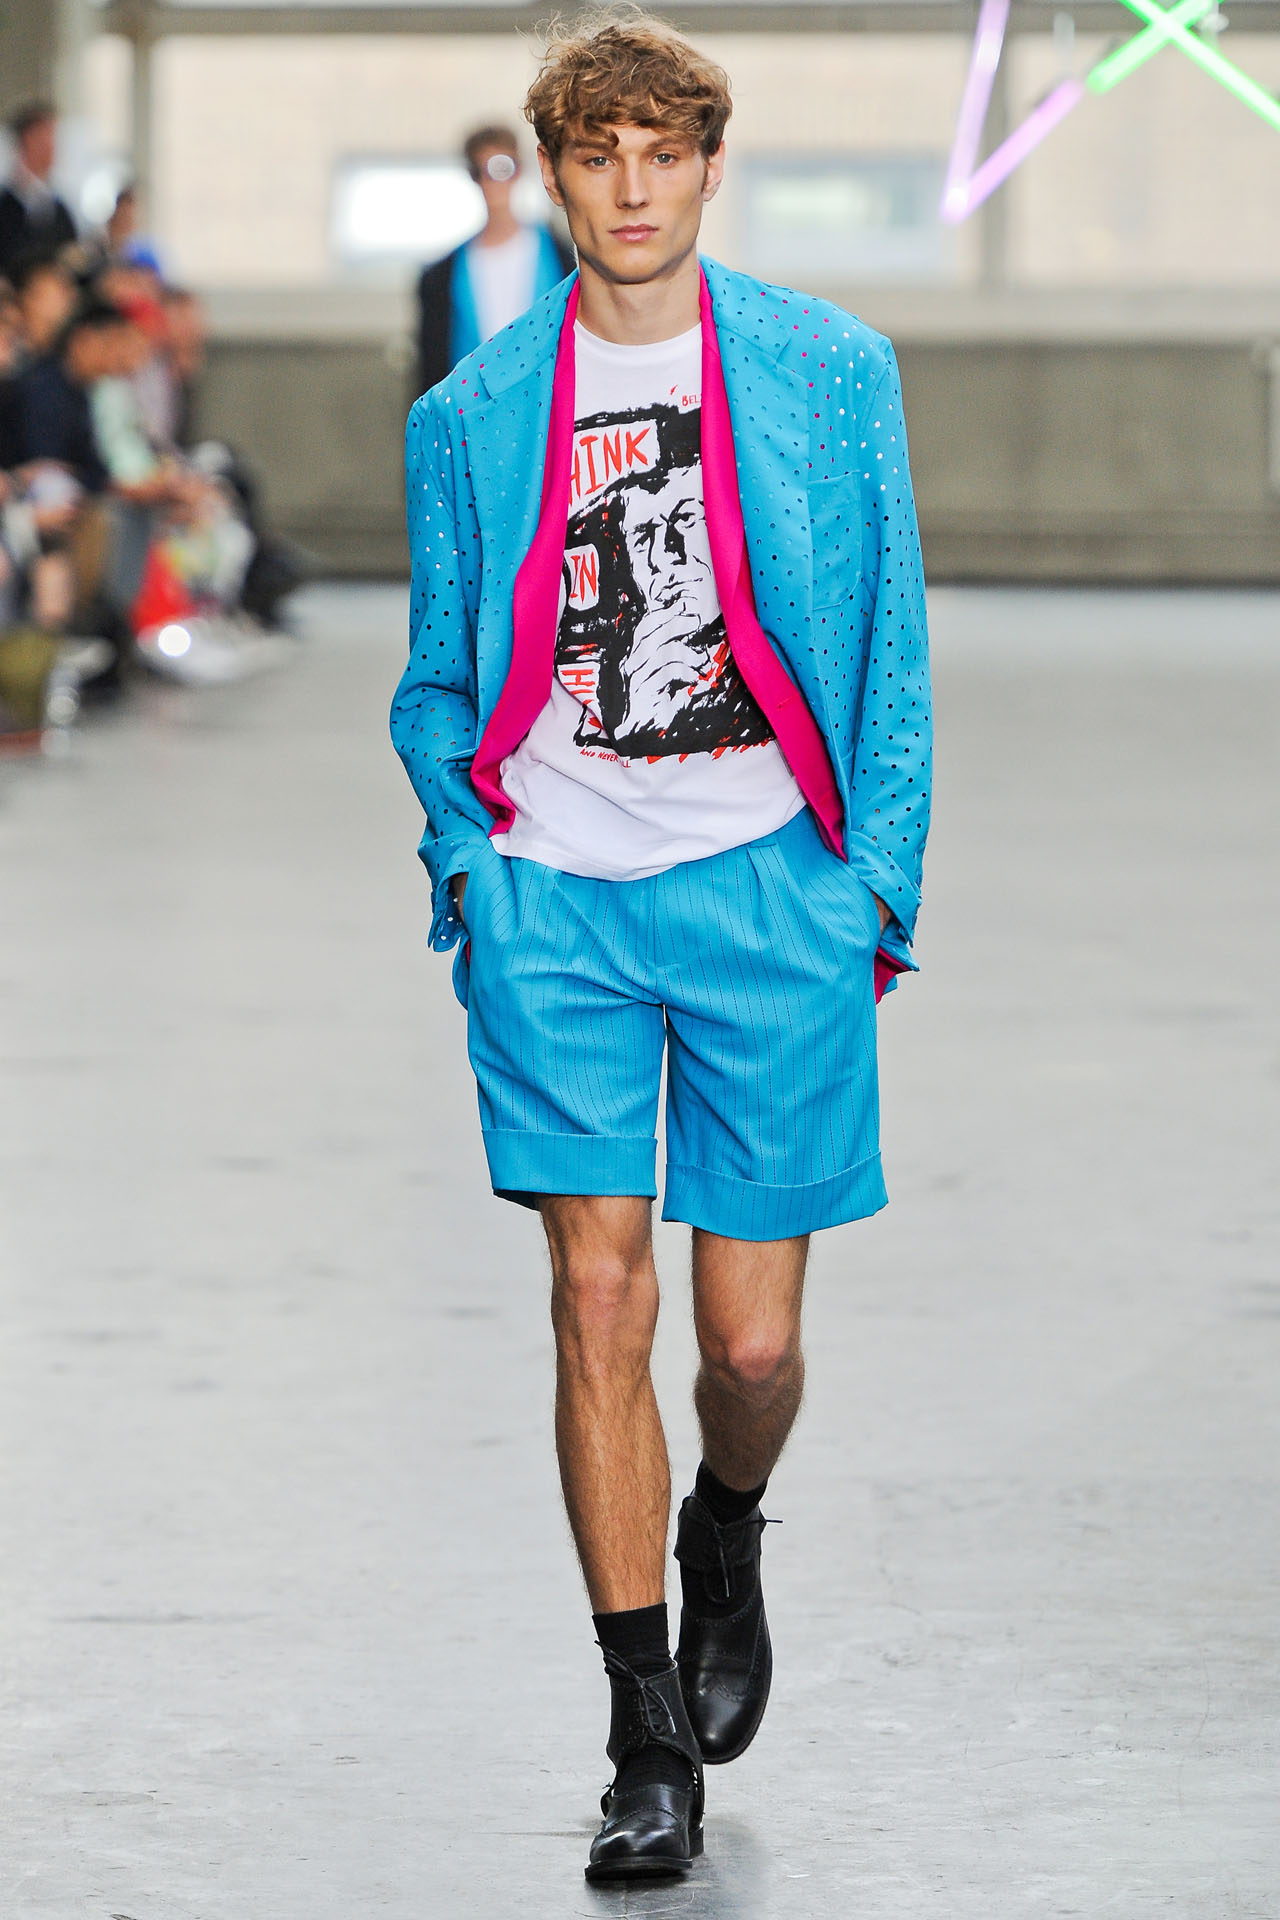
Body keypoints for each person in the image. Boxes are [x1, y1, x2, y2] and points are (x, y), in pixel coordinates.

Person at [390, 13, 932, 1885]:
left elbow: (891, 642)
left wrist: (873, 889)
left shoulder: (829, 371)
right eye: (594, 153)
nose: (630, 187)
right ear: (553, 175)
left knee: (751, 1342)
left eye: (662, 151)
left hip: (771, 884)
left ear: (709, 165)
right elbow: (441, 671)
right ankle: (645, 1739)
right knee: (598, 1302)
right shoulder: (471, 414)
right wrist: (470, 861)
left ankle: (727, 1524)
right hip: (556, 891)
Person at [414, 124, 574, 394]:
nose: (492, 182)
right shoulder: (441, 277)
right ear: (472, 177)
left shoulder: (564, 259)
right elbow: (432, 368)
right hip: (469, 412)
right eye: (481, 171)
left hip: (550, 406)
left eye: (501, 168)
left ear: (518, 170)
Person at [0, 105, 77, 278]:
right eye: (47, 136)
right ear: (28, 139)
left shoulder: (59, 209)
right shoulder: (5, 206)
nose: (54, 146)